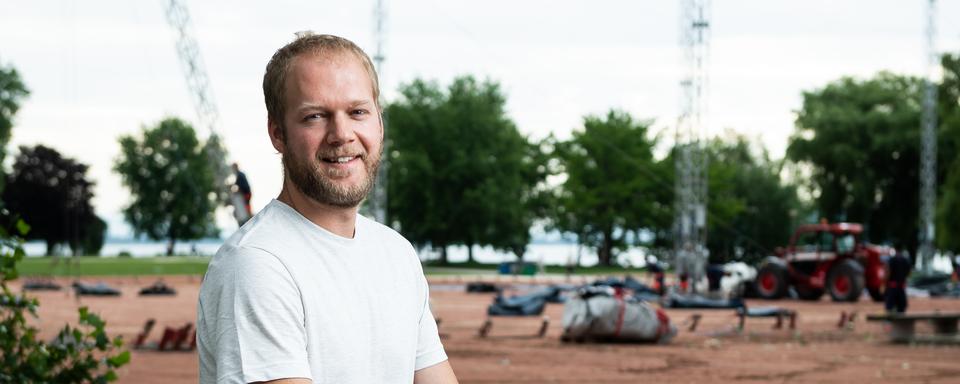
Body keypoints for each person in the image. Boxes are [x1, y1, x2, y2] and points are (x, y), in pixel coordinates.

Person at [197, 32, 458, 384]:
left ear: (379, 123)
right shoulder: (258, 263)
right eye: (316, 116)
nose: (341, 134)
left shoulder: (396, 253)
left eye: (358, 112)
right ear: (277, 133)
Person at [885, 244, 911, 313]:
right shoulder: (905, 260)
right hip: (901, 286)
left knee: (890, 306)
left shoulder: (892, 260)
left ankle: (890, 320)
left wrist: (885, 281)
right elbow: (909, 272)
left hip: (892, 286)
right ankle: (902, 322)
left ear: (895, 249)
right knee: (902, 306)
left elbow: (888, 272)